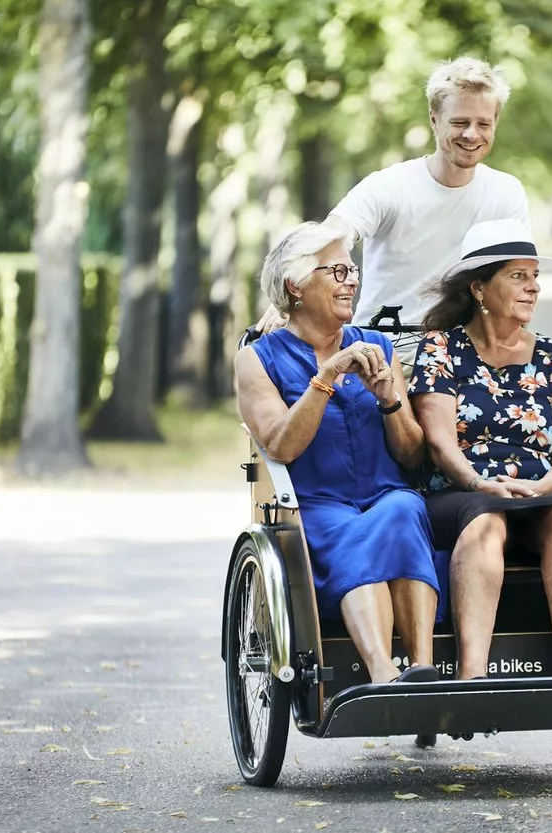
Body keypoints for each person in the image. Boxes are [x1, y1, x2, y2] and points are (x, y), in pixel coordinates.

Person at [235, 221, 441, 684]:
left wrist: (389, 398)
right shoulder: (258, 359)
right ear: (296, 285)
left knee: (404, 508)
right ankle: (383, 673)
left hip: (385, 494)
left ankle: (422, 670)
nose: (352, 281)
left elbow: (412, 456)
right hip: (316, 505)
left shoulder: (379, 347)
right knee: (350, 531)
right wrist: (325, 377)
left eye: (353, 271)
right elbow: (281, 445)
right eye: (338, 271)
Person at [408, 219, 552, 680]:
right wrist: (479, 484)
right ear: (478, 288)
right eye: (518, 276)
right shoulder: (442, 348)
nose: (533, 287)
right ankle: (471, 678)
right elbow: (439, 441)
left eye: (535, 276)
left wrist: (542, 487)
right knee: (486, 522)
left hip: (538, 490)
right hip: (460, 490)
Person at [257, 56, 530, 342]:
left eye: (483, 124)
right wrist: (292, 294)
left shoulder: (506, 193)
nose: (472, 134)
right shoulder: (389, 186)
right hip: (384, 351)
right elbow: (332, 236)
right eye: (460, 122)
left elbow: (519, 278)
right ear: (434, 119)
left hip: (468, 354)